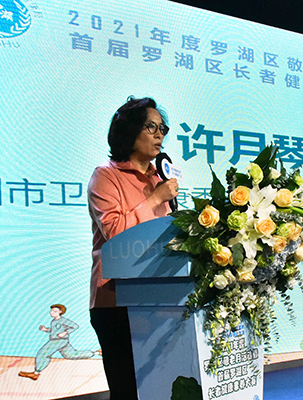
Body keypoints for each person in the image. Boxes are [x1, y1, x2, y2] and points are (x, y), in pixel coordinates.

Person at [88, 97, 179, 400]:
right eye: (151, 127)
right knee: (128, 391)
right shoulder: (106, 175)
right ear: (129, 131)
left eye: (162, 128)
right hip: (116, 301)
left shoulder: (160, 178)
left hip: (159, 299)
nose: (159, 134)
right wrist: (154, 200)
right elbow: (114, 233)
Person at [18, 304, 99, 381]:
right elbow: (54, 330)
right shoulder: (53, 321)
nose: (52, 312)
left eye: (55, 311)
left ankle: (36, 373)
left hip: (59, 340)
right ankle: (96, 353)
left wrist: (65, 332)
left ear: (60, 312)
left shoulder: (63, 320)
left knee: (43, 353)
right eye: (51, 311)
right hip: (59, 340)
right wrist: (46, 329)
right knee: (71, 354)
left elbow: (75, 326)